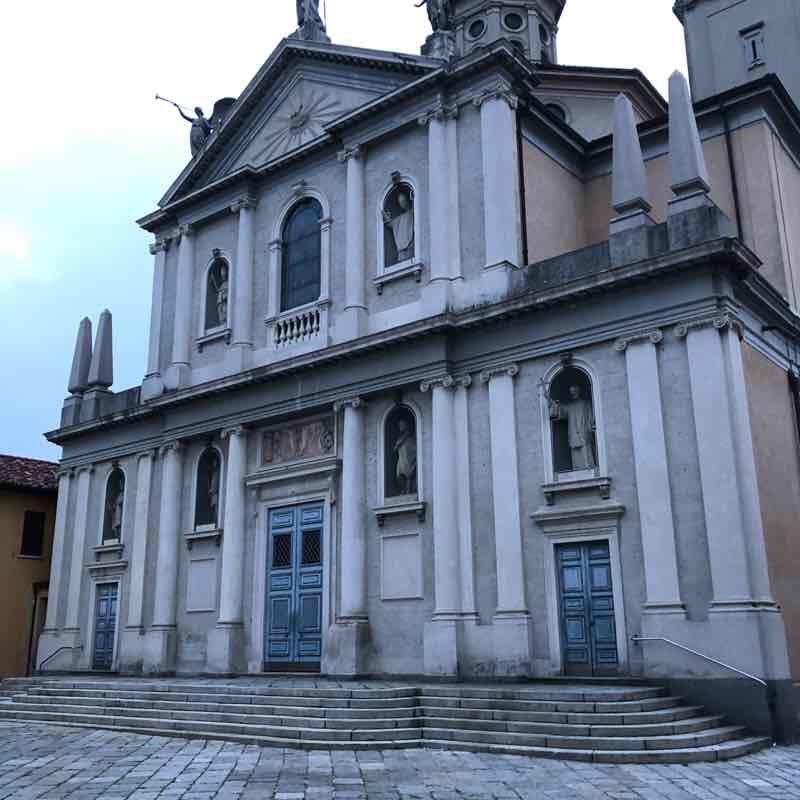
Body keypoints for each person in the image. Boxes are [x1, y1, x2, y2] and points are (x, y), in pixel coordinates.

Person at [550, 384, 596, 470]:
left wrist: (591, 427)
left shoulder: (586, 403)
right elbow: (561, 410)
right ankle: (577, 469)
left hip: (584, 431)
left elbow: (591, 417)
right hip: (573, 433)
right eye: (572, 391)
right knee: (575, 454)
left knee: (586, 451)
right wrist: (553, 403)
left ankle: (589, 467)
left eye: (574, 390)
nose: (573, 393)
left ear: (578, 391)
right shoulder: (569, 406)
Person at [383, 191, 415, 264]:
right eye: (400, 202)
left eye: (403, 201)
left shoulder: (413, 212)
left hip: (410, 246)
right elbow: (392, 224)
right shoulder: (400, 218)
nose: (402, 203)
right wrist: (385, 216)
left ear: (408, 200)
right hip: (401, 249)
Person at [393, 417, 418, 495]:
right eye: (399, 425)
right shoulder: (400, 438)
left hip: (409, 460)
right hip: (402, 460)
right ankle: (403, 491)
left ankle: (409, 492)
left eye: (402, 425)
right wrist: (403, 439)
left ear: (406, 425)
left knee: (409, 476)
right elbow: (395, 448)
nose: (400, 427)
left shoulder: (411, 438)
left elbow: (415, 449)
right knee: (399, 476)